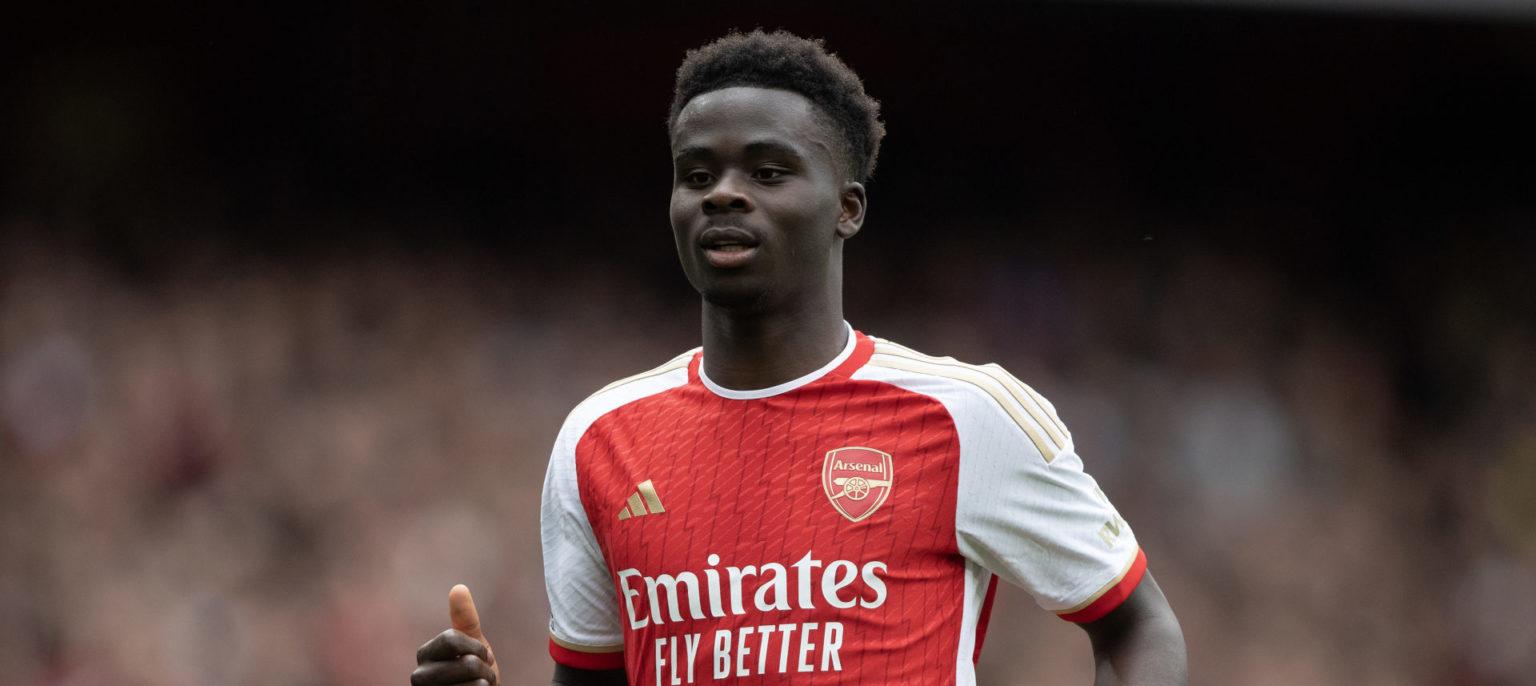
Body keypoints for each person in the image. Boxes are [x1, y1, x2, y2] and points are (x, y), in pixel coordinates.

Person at [413, 29, 1187, 686]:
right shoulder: (599, 438)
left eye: (768, 171)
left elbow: (1138, 627)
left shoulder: (962, 416)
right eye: (697, 175)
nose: (723, 194)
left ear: (847, 207)